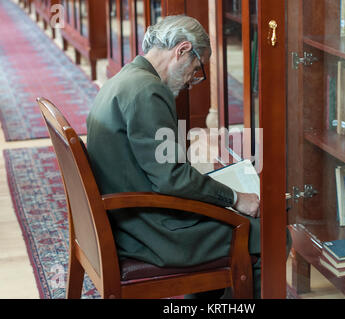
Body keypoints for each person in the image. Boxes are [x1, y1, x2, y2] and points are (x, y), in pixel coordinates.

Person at [86, 15, 261, 298]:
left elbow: (164, 171)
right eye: (196, 68)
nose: (193, 80)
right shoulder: (149, 91)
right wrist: (237, 198)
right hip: (149, 232)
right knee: (266, 234)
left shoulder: (126, 77)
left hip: (123, 218)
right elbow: (172, 180)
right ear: (181, 50)